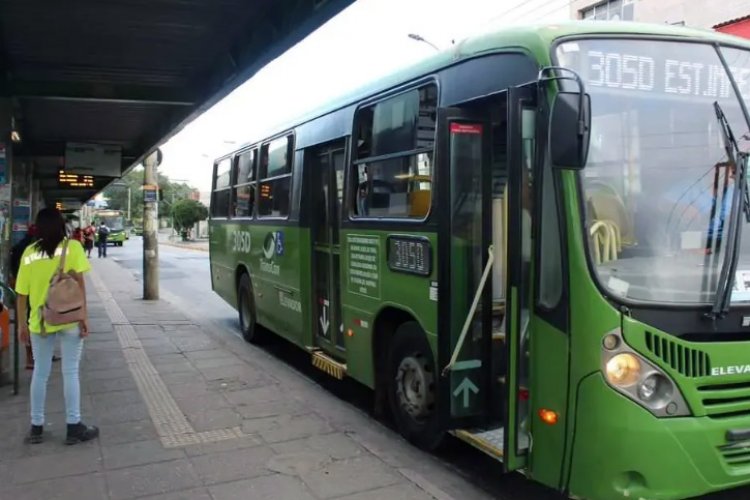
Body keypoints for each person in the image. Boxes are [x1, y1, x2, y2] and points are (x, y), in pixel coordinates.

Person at [15, 208, 98, 445]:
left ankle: (36, 427)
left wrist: (22, 325)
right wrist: (84, 318)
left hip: (40, 322)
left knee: (40, 374)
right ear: (62, 226)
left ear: (38, 228)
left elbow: (21, 294)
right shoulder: (73, 248)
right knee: (70, 372)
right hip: (70, 317)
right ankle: (74, 426)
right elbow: (80, 286)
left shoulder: (29, 253)